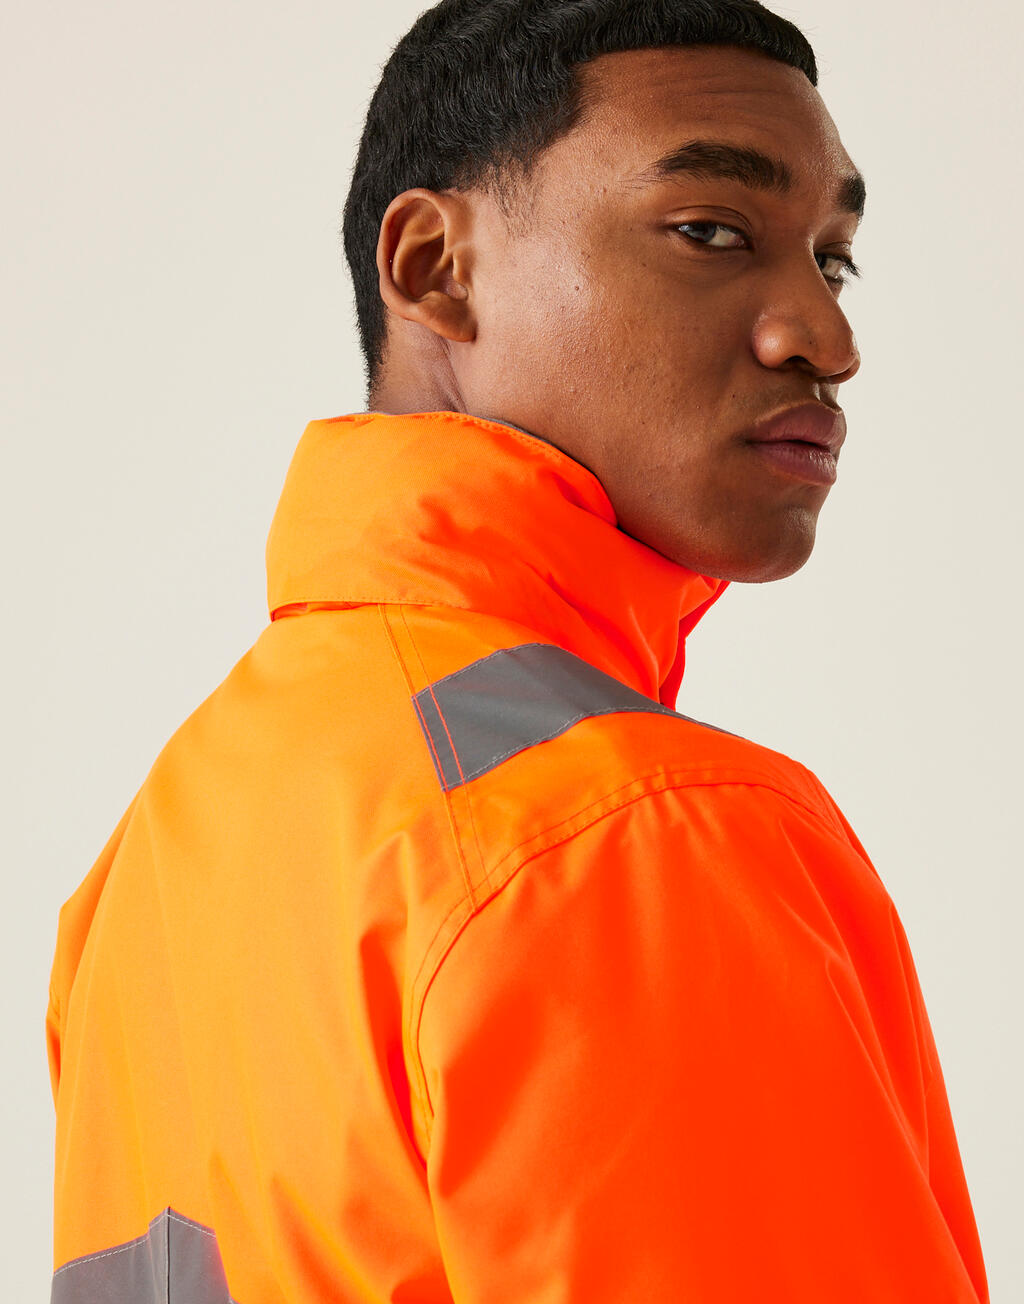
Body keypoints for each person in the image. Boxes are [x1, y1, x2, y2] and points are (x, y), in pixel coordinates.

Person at [46, 2, 990, 1301]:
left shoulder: (158, 852)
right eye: (711, 232)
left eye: (835, 262)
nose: (824, 340)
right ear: (435, 267)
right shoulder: (626, 833)